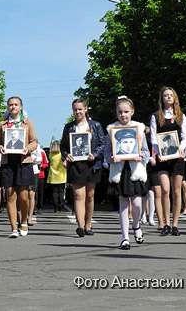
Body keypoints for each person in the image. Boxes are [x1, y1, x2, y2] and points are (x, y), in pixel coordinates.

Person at [106, 96, 149, 250]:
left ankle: (136, 225)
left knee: (137, 203)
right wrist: (111, 158)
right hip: (120, 171)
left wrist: (141, 157)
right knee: (123, 203)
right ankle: (125, 238)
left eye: (126, 112)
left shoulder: (139, 128)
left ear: (132, 112)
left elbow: (146, 151)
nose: (123, 115)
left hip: (135, 169)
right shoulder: (112, 129)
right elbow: (107, 152)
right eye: (120, 112)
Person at [0, 96, 38, 238]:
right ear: (8, 107)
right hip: (8, 161)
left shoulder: (28, 123)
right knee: (11, 196)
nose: (13, 107)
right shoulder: (2, 124)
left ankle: (23, 221)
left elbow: (34, 141)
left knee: (23, 197)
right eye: (10, 105)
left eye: (16, 104)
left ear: (20, 107)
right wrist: (0, 148)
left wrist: (28, 149)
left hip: (24, 161)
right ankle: (13, 228)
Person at [60, 98, 105, 237]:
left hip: (92, 164)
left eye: (80, 109)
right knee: (79, 195)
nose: (77, 112)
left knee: (90, 196)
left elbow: (102, 144)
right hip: (76, 164)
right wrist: (67, 155)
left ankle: (88, 224)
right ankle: (80, 226)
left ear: (86, 109)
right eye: (75, 109)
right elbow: (63, 146)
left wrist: (95, 154)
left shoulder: (96, 125)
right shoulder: (69, 127)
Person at [149, 87, 186, 237]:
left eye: (171, 95)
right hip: (163, 157)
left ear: (175, 98)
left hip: (177, 156)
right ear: (162, 99)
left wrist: (180, 148)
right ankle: (165, 222)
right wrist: (159, 153)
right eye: (165, 95)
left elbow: (185, 136)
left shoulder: (180, 116)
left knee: (177, 190)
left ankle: (175, 224)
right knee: (165, 189)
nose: (168, 97)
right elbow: (153, 138)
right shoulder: (156, 116)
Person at [47, 139, 67, 213]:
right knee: (61, 191)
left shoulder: (50, 154)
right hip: (62, 174)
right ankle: (60, 207)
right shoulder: (62, 154)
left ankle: (55, 207)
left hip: (53, 175)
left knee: (54, 192)